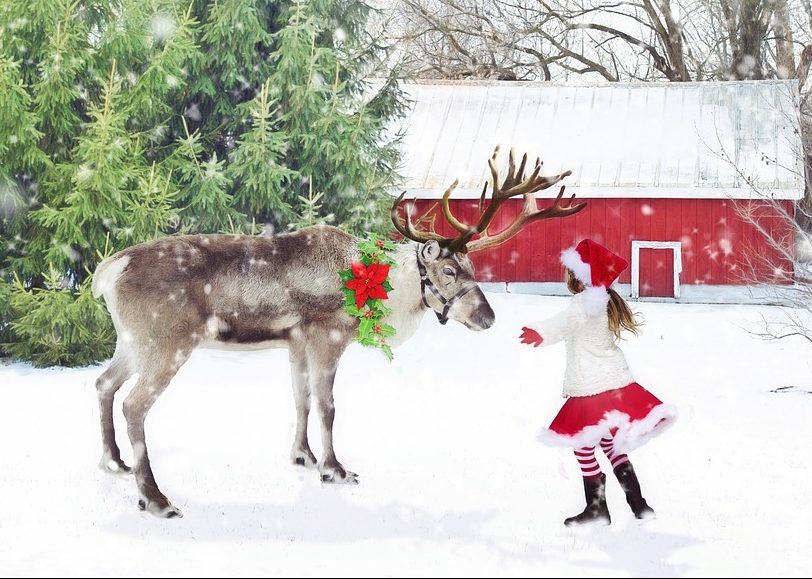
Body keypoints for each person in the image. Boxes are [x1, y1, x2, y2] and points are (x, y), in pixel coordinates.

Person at [519, 239, 677, 526]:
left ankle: (597, 508)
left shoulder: (584, 304)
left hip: (592, 384)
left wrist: (541, 333)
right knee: (610, 444)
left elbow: (565, 322)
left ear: (579, 277)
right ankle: (639, 505)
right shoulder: (601, 299)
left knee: (583, 445)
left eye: (570, 272)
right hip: (611, 381)